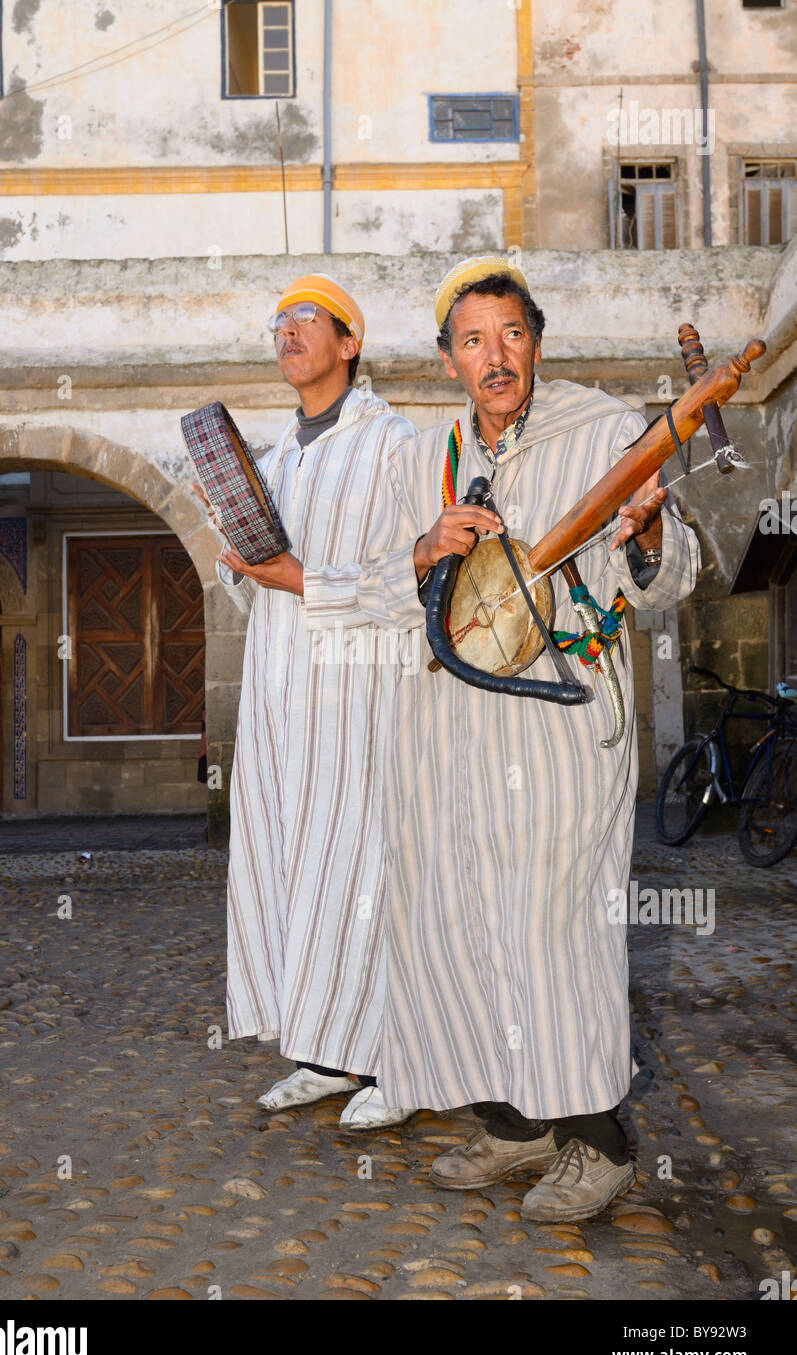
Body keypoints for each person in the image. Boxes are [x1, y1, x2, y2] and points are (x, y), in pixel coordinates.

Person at [341, 255, 700, 1218]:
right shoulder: (421, 459)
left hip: (557, 726)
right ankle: (513, 1123)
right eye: (473, 341)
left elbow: (670, 574)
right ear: (448, 359)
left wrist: (649, 542)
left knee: (554, 926)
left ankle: (599, 1139)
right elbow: (375, 590)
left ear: (534, 341)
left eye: (510, 335)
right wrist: (422, 552)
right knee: (454, 919)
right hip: (443, 730)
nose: (494, 357)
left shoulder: (604, 432)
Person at [200, 274, 417, 1132]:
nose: (286, 334)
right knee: (290, 865)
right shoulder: (280, 454)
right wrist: (244, 564)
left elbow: (416, 579)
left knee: (361, 869)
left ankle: (398, 1058)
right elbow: (269, 587)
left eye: (305, 320)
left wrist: (300, 579)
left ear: (349, 341)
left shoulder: (393, 441)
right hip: (279, 689)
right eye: (277, 322)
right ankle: (326, 1051)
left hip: (358, 691)